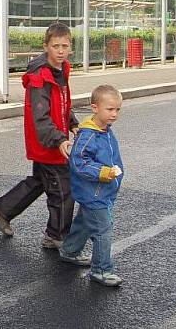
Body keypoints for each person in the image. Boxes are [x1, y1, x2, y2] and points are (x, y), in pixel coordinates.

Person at [0, 22, 79, 248]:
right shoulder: (40, 77)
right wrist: (60, 140)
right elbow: (41, 117)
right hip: (48, 143)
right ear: (46, 46)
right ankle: (56, 236)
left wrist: (72, 123)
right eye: (55, 46)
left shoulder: (61, 68)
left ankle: (2, 209)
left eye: (64, 46)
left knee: (40, 181)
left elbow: (63, 103)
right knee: (63, 190)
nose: (60, 50)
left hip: (52, 140)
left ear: (70, 47)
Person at [59, 85, 124, 287]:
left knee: (85, 222)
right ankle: (102, 270)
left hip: (99, 190)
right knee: (103, 228)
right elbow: (79, 163)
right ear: (95, 108)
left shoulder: (104, 130)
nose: (114, 114)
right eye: (110, 109)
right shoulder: (89, 135)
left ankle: (70, 250)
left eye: (117, 110)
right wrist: (104, 173)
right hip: (94, 192)